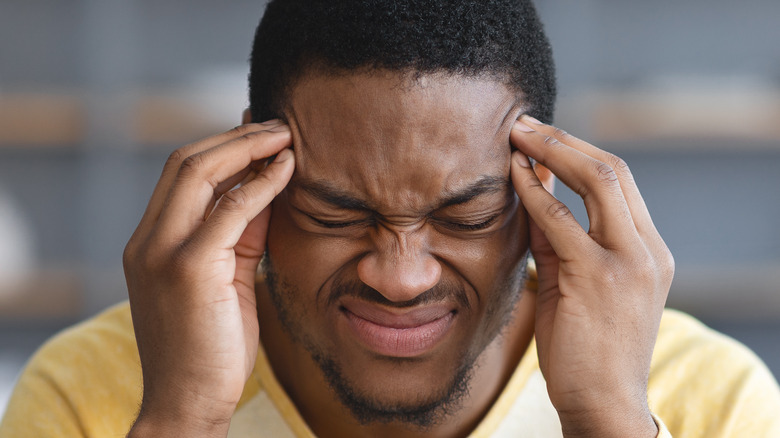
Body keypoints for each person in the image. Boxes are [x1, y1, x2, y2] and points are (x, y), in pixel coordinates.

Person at [2, 0, 779, 437]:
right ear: (249, 177)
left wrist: (608, 416)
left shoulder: (703, 398)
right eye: (333, 213)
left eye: (467, 215)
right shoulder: (96, 392)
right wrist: (182, 416)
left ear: (539, 184)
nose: (400, 278)